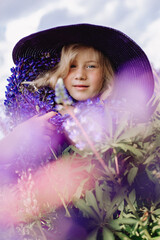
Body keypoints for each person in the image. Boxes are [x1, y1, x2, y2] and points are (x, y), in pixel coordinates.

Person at [0, 24, 155, 237]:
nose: (80, 75)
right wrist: (19, 136)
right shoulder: (49, 122)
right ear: (60, 72)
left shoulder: (118, 122)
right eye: (72, 66)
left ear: (106, 73)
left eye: (91, 66)